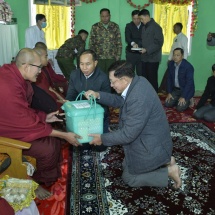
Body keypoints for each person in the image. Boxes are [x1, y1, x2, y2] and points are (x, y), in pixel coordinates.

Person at [84, 60, 182, 189]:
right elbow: (120, 101)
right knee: (127, 164)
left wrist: (102, 138)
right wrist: (98, 95)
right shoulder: (138, 81)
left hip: (150, 143)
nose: (111, 85)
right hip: (149, 138)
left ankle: (169, 171)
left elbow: (128, 135)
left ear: (124, 79)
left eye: (113, 81)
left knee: (130, 177)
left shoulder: (137, 97)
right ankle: (166, 161)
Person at [0, 48, 81, 199]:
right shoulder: (7, 86)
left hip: (17, 123)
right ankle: (34, 183)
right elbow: (21, 119)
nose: (41, 71)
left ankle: (46, 177)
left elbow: (24, 111)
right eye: (39, 67)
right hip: (6, 134)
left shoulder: (17, 77)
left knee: (52, 136)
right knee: (47, 147)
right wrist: (64, 135)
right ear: (26, 67)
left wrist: (45, 117)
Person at [66, 49, 111, 151]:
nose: (84, 68)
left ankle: (106, 128)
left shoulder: (103, 78)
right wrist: (68, 103)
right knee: (80, 146)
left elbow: (107, 100)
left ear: (95, 63)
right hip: (81, 115)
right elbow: (71, 94)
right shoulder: (75, 75)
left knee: (100, 147)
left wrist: (95, 99)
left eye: (88, 64)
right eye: (81, 64)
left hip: (97, 115)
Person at [89, 8, 122, 74]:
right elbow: (91, 43)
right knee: (99, 76)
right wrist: (93, 57)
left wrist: (118, 56)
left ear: (110, 16)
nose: (105, 18)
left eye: (106, 16)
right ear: (100, 16)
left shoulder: (115, 26)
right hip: (99, 57)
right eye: (103, 16)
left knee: (111, 76)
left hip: (111, 57)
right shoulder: (95, 27)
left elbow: (119, 42)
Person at [33, 46, 66, 112]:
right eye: (45, 57)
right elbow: (45, 94)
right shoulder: (36, 74)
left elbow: (49, 87)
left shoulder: (43, 69)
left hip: (50, 95)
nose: (47, 59)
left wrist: (62, 100)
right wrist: (62, 101)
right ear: (38, 58)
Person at [138, 9, 164, 93]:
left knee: (152, 80)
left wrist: (147, 49)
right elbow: (144, 41)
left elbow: (159, 42)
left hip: (153, 58)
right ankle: (147, 97)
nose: (141, 21)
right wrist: (138, 46)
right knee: (144, 79)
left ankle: (154, 98)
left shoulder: (156, 27)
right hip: (144, 58)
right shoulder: (144, 27)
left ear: (147, 16)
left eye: (142, 19)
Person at [159, 23, 188, 93]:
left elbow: (185, 49)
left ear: (179, 28)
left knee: (172, 75)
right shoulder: (175, 38)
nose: (173, 29)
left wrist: (184, 60)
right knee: (169, 74)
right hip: (173, 59)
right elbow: (172, 50)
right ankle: (164, 89)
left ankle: (165, 89)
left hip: (179, 60)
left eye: (174, 28)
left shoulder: (183, 37)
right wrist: (169, 58)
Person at [125, 10, 143, 76]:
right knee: (129, 73)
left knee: (141, 73)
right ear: (132, 18)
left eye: (138, 18)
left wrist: (139, 44)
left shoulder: (144, 25)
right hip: (131, 54)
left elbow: (145, 39)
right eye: (134, 19)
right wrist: (133, 43)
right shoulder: (129, 26)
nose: (136, 21)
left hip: (141, 54)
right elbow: (128, 38)